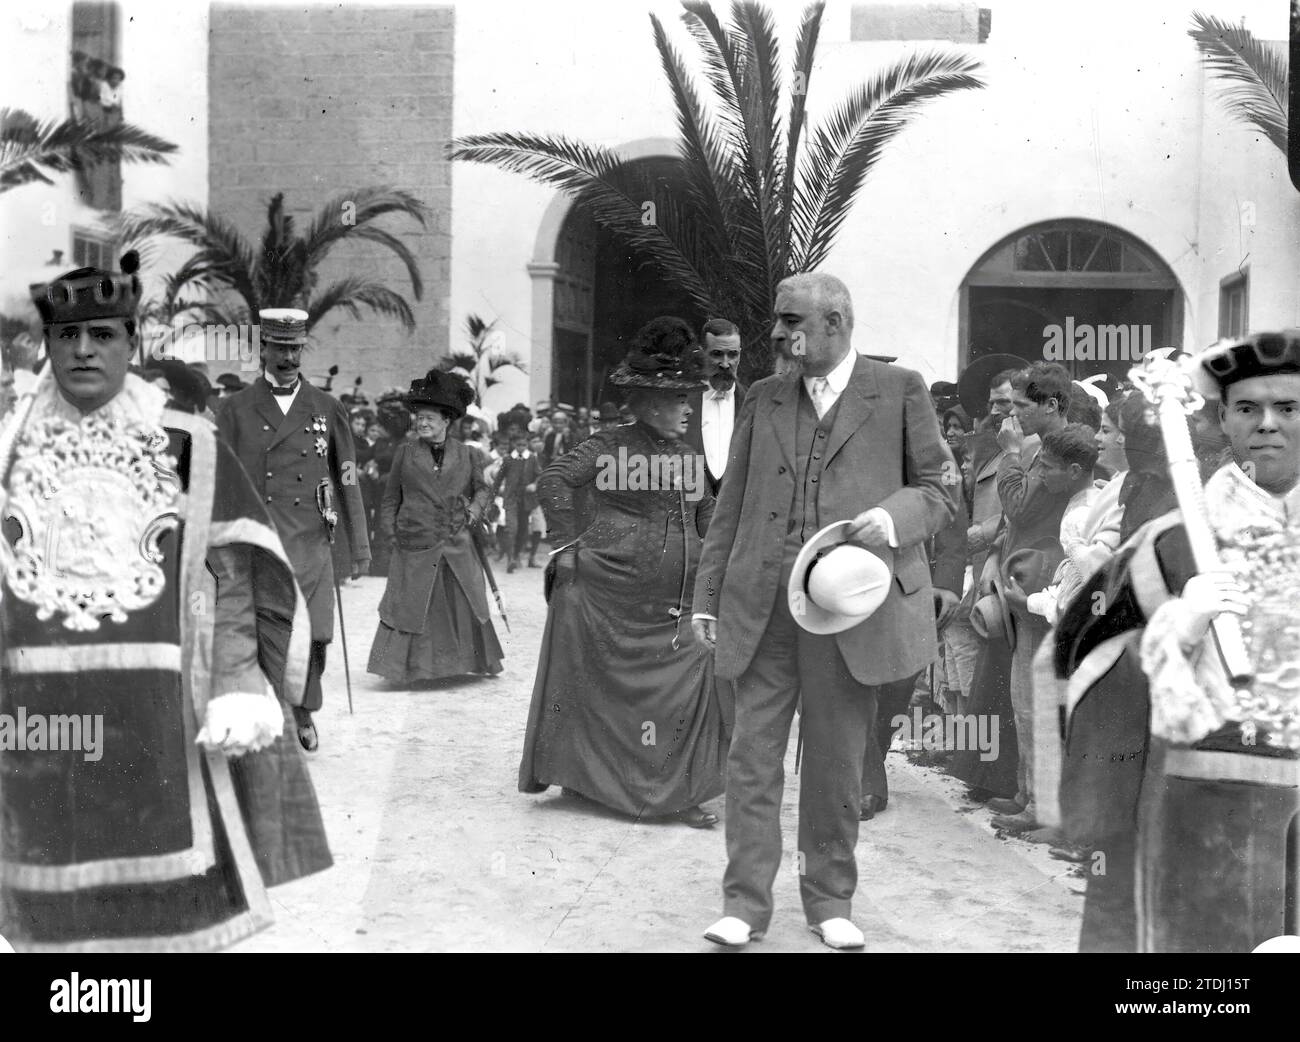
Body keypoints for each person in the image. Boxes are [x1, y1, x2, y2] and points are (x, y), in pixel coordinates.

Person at [0, 253, 330, 951]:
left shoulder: (185, 444)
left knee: (168, 901)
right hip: (33, 716)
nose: (83, 349)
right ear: (48, 345)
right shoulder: (8, 448)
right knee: (42, 893)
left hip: (160, 711)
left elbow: (236, 571)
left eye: (103, 334)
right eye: (67, 335)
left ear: (132, 343)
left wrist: (239, 680)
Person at [692, 273, 956, 949]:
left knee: (837, 762)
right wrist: (708, 594)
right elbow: (731, 506)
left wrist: (887, 520)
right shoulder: (764, 396)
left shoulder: (898, 392)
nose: (776, 335)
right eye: (778, 322)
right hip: (764, 609)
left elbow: (937, 492)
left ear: (835, 323)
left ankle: (830, 900)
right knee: (751, 759)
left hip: (848, 613)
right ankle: (745, 907)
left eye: (790, 322)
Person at [1056, 331, 1300, 952]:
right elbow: (1082, 660)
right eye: (1247, 408)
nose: (1267, 425)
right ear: (1221, 419)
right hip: (1201, 797)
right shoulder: (1169, 543)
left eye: (1288, 408)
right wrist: (1179, 628)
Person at [519, 317, 726, 829]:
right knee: (599, 691)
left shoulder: (687, 455)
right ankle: (590, 778)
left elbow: (705, 516)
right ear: (650, 403)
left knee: (688, 677)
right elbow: (554, 481)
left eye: (688, 399)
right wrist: (567, 546)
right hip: (608, 594)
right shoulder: (608, 445)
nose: (686, 409)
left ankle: (677, 790)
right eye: (679, 399)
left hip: (674, 601)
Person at [215, 308, 370, 752]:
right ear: (262, 348)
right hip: (261, 543)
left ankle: (302, 705)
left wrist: (360, 544)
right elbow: (220, 478)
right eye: (279, 347)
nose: (288, 356)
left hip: (313, 540)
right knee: (272, 632)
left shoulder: (327, 407)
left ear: (304, 349)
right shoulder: (235, 408)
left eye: (295, 347)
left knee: (317, 632)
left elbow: (347, 478)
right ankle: (290, 714)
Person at [367, 371, 503, 684]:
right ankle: (411, 670)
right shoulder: (405, 453)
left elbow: (483, 489)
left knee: (463, 601)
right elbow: (390, 499)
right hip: (414, 544)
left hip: (457, 542)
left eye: (429, 418)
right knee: (412, 604)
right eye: (419, 418)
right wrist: (390, 535)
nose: (422, 424)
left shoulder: (468, 454)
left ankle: (458, 666)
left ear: (446, 421)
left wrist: (474, 509)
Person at [685, 318, 748, 495]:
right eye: (717, 354)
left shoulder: (754, 407)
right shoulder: (680, 405)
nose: (726, 364)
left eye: (733, 354)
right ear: (701, 353)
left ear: (740, 355)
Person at [493, 431, 542, 572]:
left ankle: (516, 554)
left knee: (523, 530)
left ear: (527, 445)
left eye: (524, 445)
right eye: (518, 444)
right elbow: (498, 479)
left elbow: (540, 475)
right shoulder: (508, 459)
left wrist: (535, 484)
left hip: (526, 500)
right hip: (511, 498)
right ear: (514, 444)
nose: (521, 447)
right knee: (511, 528)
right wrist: (492, 497)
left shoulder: (532, 458)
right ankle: (510, 559)